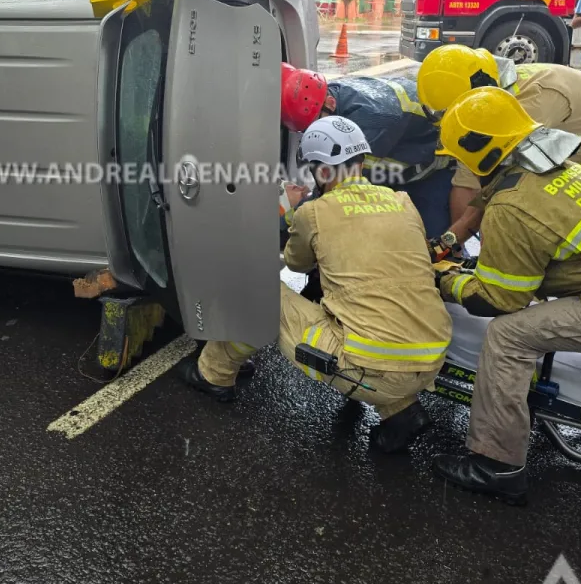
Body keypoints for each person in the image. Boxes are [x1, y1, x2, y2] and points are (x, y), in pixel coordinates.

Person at [181, 115, 453, 453]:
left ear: (322, 171)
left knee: (258, 285)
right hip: (431, 360)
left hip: (371, 369)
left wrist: (290, 209)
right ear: (361, 161)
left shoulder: (316, 213)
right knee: (375, 312)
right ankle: (401, 412)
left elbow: (296, 263)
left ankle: (213, 374)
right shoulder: (402, 203)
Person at [432, 87, 581, 504]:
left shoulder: (514, 205)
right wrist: (459, 249)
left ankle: (496, 464)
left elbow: (496, 301)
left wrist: (446, 278)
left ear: (476, 152)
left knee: (508, 336)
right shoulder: (560, 168)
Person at [416, 43, 581, 245]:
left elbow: (498, 190)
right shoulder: (487, 103)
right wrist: (455, 250)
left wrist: (450, 242)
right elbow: (466, 183)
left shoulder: (531, 100)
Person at [281, 63, 454, 237]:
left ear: (330, 103)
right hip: (403, 155)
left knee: (430, 242)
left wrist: (288, 219)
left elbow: (338, 192)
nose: (315, 132)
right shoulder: (329, 94)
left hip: (434, 168)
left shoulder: (369, 124)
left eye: (315, 124)